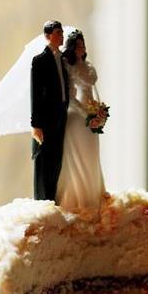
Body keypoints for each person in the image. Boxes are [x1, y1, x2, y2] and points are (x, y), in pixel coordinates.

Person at [55, 30, 105, 210]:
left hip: (91, 110)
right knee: (80, 156)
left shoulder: (88, 65)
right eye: (77, 45)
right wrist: (86, 114)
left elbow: (94, 90)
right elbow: (70, 97)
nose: (81, 47)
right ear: (72, 47)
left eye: (82, 44)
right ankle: (79, 198)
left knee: (92, 153)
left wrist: (99, 111)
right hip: (77, 116)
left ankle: (94, 193)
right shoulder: (69, 66)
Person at [30, 21, 70, 201]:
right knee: (44, 160)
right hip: (46, 118)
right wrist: (36, 124)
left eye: (61, 33)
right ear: (48, 36)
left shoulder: (63, 59)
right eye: (57, 33)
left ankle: (53, 198)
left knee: (56, 158)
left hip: (61, 114)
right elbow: (36, 94)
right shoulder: (40, 60)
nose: (61, 36)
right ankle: (42, 199)